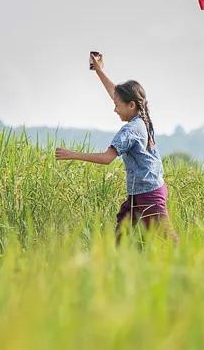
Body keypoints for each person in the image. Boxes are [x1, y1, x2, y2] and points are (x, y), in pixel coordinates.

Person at [55, 52, 174, 241]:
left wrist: (72, 154)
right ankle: (123, 266)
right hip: (141, 191)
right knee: (122, 235)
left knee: (169, 241)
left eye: (117, 105)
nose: (115, 109)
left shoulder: (129, 131)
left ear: (131, 105)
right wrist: (99, 71)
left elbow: (107, 158)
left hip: (149, 194)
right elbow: (115, 93)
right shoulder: (142, 116)